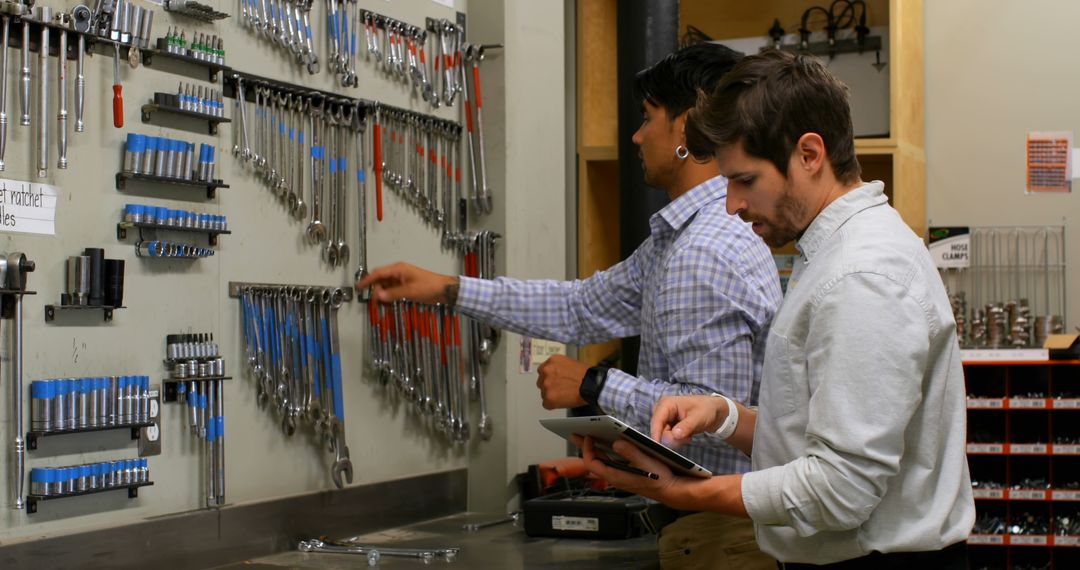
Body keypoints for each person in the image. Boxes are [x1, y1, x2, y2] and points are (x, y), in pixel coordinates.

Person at [359, 42, 782, 569]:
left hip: (721, 533)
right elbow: (580, 307)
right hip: (703, 524)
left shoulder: (704, 252)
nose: (636, 135)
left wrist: (593, 386)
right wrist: (449, 288)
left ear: (685, 128)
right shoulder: (678, 243)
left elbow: (706, 411)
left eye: (647, 118)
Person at [577, 49, 975, 568]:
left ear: (809, 154)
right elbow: (821, 434)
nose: (732, 205)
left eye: (744, 180)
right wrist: (724, 417)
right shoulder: (832, 253)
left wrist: (686, 493)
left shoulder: (862, 276)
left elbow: (840, 488)